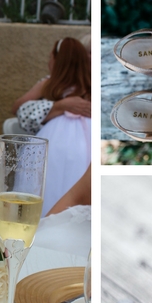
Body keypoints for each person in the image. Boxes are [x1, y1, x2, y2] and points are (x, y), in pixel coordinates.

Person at [12, 38, 91, 215]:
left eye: (50, 57)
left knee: (49, 178)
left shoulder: (49, 84)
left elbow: (16, 106)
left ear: (57, 60)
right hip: (85, 142)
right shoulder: (88, 85)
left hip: (54, 141)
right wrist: (62, 105)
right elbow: (18, 108)